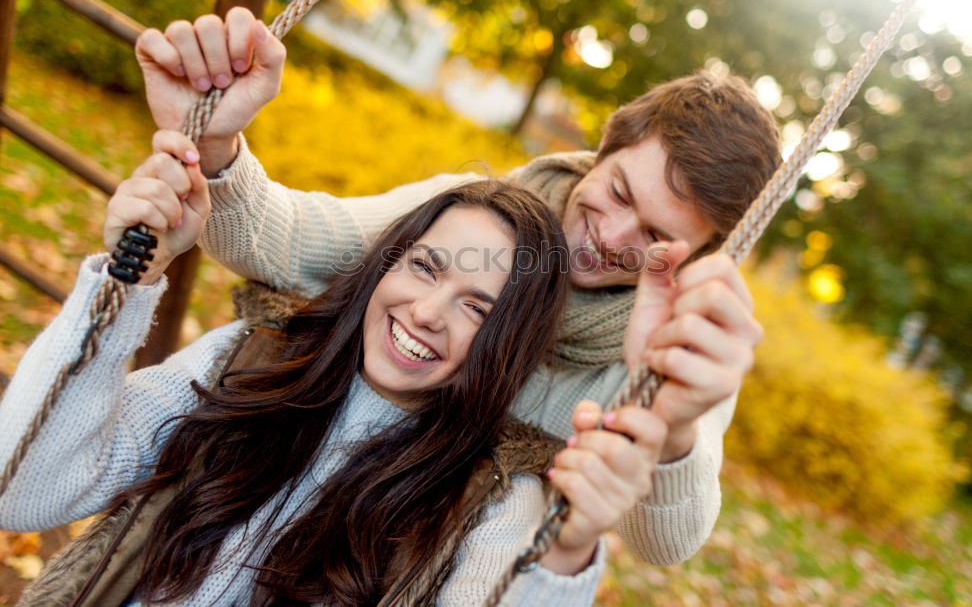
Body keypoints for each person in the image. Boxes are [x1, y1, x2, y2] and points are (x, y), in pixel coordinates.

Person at [134, 7, 780, 565]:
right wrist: (214, 148)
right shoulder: (475, 214)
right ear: (603, 149)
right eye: (615, 191)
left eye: (656, 236)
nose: (611, 236)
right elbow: (287, 244)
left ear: (698, 253)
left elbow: (667, 545)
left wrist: (670, 426)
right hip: (313, 516)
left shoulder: (679, 346)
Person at [0, 152, 665, 605]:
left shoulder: (490, 505)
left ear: (507, 347)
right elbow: (23, 489)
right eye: (426, 269)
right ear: (386, 263)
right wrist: (125, 283)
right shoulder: (250, 359)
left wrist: (568, 554)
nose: (427, 313)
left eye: (477, 309)